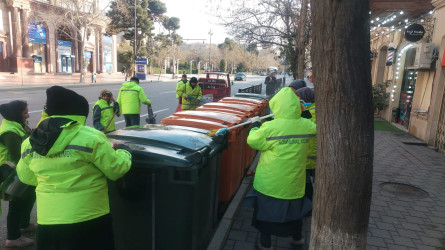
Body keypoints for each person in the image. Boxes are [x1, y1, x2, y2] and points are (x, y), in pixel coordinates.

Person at [16, 86, 132, 250]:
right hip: (90, 216)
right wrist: (123, 151)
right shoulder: (91, 137)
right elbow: (116, 169)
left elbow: (25, 176)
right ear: (78, 114)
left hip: (48, 220)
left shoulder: (30, 142)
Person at [246, 87, 316, 250]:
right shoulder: (306, 126)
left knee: (265, 215)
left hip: (270, 183)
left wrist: (255, 124)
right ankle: (297, 239)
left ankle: (265, 244)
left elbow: (253, 140)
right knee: (294, 214)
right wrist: (304, 115)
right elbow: (314, 127)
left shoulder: (270, 128)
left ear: (277, 106)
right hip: (294, 183)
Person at [0, 100, 36, 248]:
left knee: (29, 197)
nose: (27, 116)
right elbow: (17, 155)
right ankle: (13, 237)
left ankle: (24, 224)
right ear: (16, 114)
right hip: (12, 173)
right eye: (25, 112)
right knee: (17, 204)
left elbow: (28, 136)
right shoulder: (9, 132)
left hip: (22, 171)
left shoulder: (18, 125)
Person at [297, 87, 316, 201]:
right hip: (316, 155)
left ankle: (308, 207)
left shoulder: (307, 112)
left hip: (308, 156)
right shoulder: (316, 110)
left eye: (298, 97)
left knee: (306, 182)